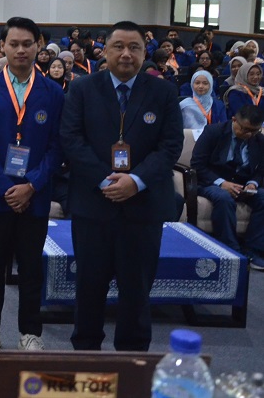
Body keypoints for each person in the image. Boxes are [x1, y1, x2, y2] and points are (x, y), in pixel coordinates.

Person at [60, 20, 183, 351]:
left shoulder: (163, 91)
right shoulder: (83, 88)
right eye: (119, 46)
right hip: (93, 204)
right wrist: (105, 179)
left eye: (134, 47)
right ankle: (86, 352)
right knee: (89, 286)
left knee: (137, 289)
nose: (126, 54)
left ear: (144, 52)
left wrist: (136, 181)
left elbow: (170, 145)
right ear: (106, 51)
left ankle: (132, 358)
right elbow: (71, 139)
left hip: (143, 207)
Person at [0, 17, 64, 352]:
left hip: (34, 196)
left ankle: (30, 333)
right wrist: (4, 186)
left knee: (31, 268)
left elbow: (58, 146)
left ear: (38, 46)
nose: (21, 50)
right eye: (14, 44)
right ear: (2, 47)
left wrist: (31, 185)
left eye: (27, 44)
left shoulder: (53, 93)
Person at [192, 105, 264, 267]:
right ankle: (230, 249)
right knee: (224, 198)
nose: (248, 134)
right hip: (212, 182)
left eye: (254, 131)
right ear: (234, 120)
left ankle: (253, 250)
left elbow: (261, 170)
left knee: (262, 197)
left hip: (242, 184)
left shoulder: (259, 140)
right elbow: (197, 165)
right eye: (245, 129)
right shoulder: (213, 132)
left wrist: (253, 183)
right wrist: (222, 183)